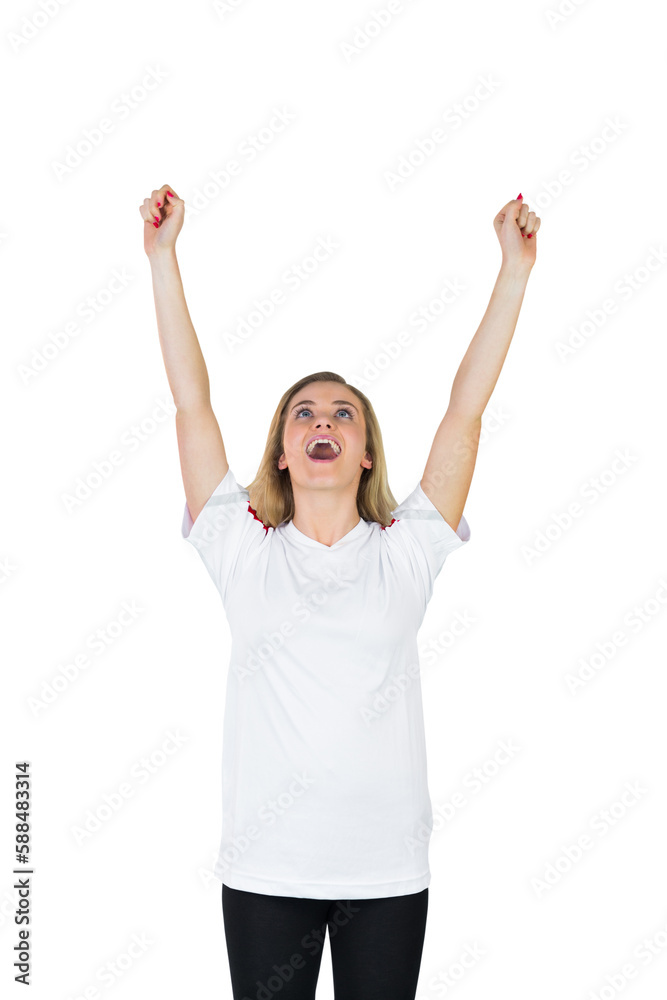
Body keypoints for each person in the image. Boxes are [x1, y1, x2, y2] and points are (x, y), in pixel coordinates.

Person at [140, 185, 540, 999]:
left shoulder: (408, 551)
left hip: (385, 874)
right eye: (303, 414)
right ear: (283, 452)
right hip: (267, 870)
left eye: (343, 414)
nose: (322, 420)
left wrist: (513, 274)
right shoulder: (240, 547)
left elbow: (465, 413)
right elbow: (191, 405)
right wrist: (162, 258)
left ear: (363, 453)